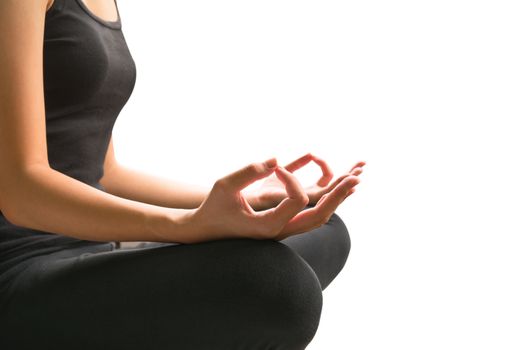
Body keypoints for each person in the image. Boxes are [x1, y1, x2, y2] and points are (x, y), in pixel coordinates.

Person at [0, 0, 366, 349]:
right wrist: (186, 225)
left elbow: (105, 173)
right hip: (17, 270)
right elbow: (22, 190)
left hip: (92, 248)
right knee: (279, 286)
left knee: (322, 228)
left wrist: (245, 203)